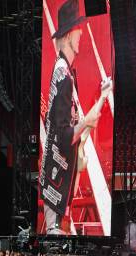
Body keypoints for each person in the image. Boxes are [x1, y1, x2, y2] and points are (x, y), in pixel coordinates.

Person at [39, 0, 102, 235]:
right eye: (78, 29)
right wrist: (86, 122)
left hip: (53, 180)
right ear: (67, 36)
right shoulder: (64, 76)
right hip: (56, 183)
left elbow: (60, 129)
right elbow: (65, 136)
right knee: (56, 238)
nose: (81, 33)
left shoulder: (61, 70)